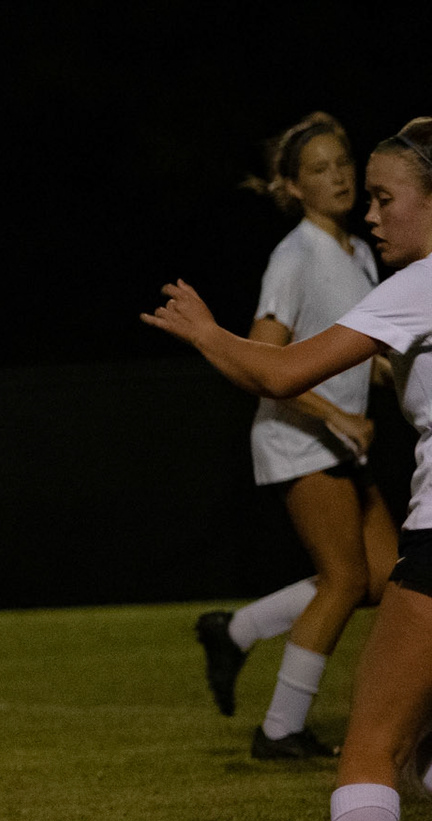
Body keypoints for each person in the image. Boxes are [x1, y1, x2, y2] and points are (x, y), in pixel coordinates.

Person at [144, 116, 432, 821]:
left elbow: (276, 371)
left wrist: (205, 332)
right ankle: (241, 641)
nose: (371, 212)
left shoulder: (418, 283)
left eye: (384, 196)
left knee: (371, 743)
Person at [194, 113, 394, 759]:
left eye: (344, 163)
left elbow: (362, 354)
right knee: (344, 580)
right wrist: (336, 414)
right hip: (297, 439)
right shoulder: (296, 255)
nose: (338, 177)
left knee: (384, 576)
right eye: (319, 169)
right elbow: (263, 362)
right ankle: (280, 730)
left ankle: (236, 629)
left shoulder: (359, 250)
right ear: (293, 187)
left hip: (337, 442)